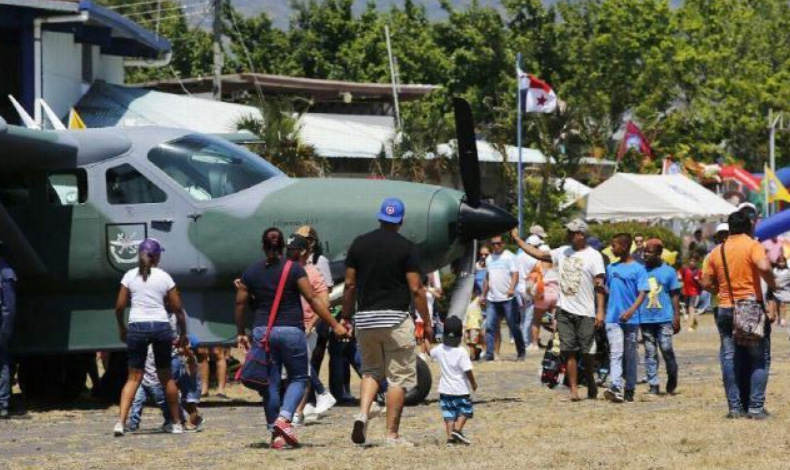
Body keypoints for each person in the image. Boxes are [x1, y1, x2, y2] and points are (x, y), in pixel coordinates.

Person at [235, 228, 349, 449]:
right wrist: (334, 324)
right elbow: (313, 298)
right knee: (299, 377)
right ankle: (284, 419)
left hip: (263, 332)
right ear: (283, 248)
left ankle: (275, 435)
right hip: (291, 330)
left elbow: (241, 303)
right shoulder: (294, 269)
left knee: (271, 383)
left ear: (262, 246)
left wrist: (241, 332)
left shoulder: (251, 271)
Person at [343, 197, 431, 447]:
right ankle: (391, 434)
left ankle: (362, 414)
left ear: (380, 217)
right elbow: (416, 288)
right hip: (395, 319)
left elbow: (349, 284)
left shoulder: (359, 244)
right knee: (398, 378)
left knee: (370, 371)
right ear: (401, 220)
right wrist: (426, 320)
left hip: (366, 319)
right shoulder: (407, 247)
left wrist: (347, 316)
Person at [513, 219, 606, 402]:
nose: (568, 235)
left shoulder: (594, 256)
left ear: (581, 235)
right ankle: (573, 389)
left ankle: (590, 381)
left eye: (571, 232)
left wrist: (600, 311)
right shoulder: (562, 251)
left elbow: (600, 286)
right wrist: (518, 240)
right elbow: (539, 254)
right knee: (568, 350)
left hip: (586, 311)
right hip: (564, 310)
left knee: (587, 352)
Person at [701, 210, 776, 420]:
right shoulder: (753, 245)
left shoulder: (718, 250)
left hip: (725, 308)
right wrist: (773, 283)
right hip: (750, 307)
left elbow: (705, 282)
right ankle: (755, 407)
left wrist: (722, 291)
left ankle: (735, 408)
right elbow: (763, 266)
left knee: (729, 357)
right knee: (758, 359)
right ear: (750, 226)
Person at [113, 238, 187, 436]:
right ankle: (177, 423)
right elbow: (178, 309)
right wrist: (183, 333)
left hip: (136, 326)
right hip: (161, 326)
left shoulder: (129, 276)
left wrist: (121, 327)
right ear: (158, 256)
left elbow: (119, 306)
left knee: (133, 377)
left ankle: (121, 422)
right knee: (166, 377)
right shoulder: (164, 277)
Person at [286, 234, 337, 424]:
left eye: (292, 249)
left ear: (304, 251)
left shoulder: (313, 272)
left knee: (302, 370)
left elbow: (324, 301)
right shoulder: (286, 269)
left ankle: (300, 411)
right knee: (297, 370)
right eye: (287, 248)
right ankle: (316, 397)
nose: (288, 252)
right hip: (290, 325)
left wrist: (312, 323)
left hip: (306, 328)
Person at [603, 233, 648, 403]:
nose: (612, 249)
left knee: (630, 354)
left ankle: (630, 388)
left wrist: (631, 311)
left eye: (614, 246)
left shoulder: (638, 269)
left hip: (631, 319)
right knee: (615, 353)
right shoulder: (611, 268)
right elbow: (609, 290)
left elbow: (642, 292)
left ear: (624, 246)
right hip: (613, 318)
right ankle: (615, 386)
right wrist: (601, 288)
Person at [127, 334, 203, 432]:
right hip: (181, 386)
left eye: (181, 345)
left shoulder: (190, 358)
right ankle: (133, 423)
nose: (178, 346)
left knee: (190, 407)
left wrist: (184, 348)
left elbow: (185, 364)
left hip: (192, 389)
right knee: (138, 400)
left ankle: (190, 424)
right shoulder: (178, 357)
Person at [425, 317, 477, 446]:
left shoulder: (440, 349)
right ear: (460, 336)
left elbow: (429, 352)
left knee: (449, 415)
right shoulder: (461, 352)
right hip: (461, 390)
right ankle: (458, 430)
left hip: (445, 390)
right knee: (465, 411)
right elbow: (468, 370)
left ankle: (450, 439)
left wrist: (425, 338)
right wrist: (473, 383)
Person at [640, 238, 681, 395]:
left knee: (666, 348)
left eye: (649, 251)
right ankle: (653, 384)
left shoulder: (669, 272)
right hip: (645, 318)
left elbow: (675, 295)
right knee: (650, 352)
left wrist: (676, 317)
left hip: (664, 318)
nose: (645, 254)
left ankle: (672, 373)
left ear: (658, 253)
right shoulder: (640, 271)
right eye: (644, 251)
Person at [481, 235, 525, 361]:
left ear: (503, 244)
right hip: (492, 299)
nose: (496, 245)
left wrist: (512, 288)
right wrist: (483, 295)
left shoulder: (509, 256)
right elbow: (487, 277)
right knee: (490, 326)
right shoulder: (489, 259)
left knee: (513, 326)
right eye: (494, 243)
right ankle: (489, 354)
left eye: (499, 243)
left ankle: (521, 352)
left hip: (508, 299)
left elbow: (515, 274)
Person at [527, 244, 559, 349]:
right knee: (553, 319)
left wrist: (529, 292)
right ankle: (554, 342)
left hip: (543, 294)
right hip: (555, 294)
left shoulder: (538, 264)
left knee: (536, 319)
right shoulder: (556, 263)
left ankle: (535, 343)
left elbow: (531, 279)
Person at [0, 242, 17, 419]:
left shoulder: (5, 273)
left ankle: (3, 402)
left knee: (2, 362)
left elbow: (9, 307)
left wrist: (4, 330)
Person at [515, 235, 541, 351]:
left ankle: (521, 340)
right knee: (529, 317)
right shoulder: (535, 259)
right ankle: (526, 342)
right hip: (529, 289)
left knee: (522, 316)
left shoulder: (518, 257)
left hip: (518, 288)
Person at [679, 254, 702, 332]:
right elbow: (679, 276)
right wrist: (679, 279)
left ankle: (690, 326)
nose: (692, 263)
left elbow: (702, 283)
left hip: (695, 292)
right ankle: (694, 323)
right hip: (686, 292)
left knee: (691, 308)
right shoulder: (684, 270)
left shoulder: (699, 272)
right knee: (688, 309)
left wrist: (699, 281)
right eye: (691, 261)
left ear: (697, 262)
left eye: (694, 261)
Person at [464, 290, 484, 361]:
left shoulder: (477, 299)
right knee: (468, 342)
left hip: (475, 325)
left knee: (473, 342)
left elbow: (482, 298)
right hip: (467, 325)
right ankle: (477, 351)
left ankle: (472, 356)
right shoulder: (467, 302)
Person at [771, 254, 790, 328]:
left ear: (785, 262)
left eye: (783, 262)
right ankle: (777, 318)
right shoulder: (775, 270)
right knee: (776, 305)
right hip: (776, 290)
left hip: (785, 290)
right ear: (777, 262)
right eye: (779, 262)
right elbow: (772, 278)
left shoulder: (788, 271)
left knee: (783, 305)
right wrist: (774, 283)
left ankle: (783, 319)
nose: (781, 263)